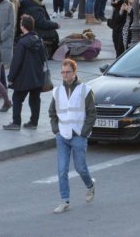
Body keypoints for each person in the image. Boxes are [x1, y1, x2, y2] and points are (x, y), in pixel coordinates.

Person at [49, 58, 96, 213]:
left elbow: (91, 114)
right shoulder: (57, 91)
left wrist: (84, 133)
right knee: (62, 170)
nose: (65, 75)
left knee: (80, 168)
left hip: (78, 135)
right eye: (62, 72)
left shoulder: (85, 90)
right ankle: (65, 201)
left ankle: (90, 185)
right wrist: (56, 130)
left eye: (68, 72)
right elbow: (52, 112)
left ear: (74, 72)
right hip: (62, 135)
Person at [5, 13, 47, 130]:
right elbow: (44, 58)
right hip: (37, 76)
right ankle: (34, 123)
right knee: (34, 100)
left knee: (17, 99)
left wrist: (11, 77)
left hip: (24, 78)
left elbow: (16, 62)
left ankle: (16, 123)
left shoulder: (22, 43)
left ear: (23, 26)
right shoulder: (39, 40)